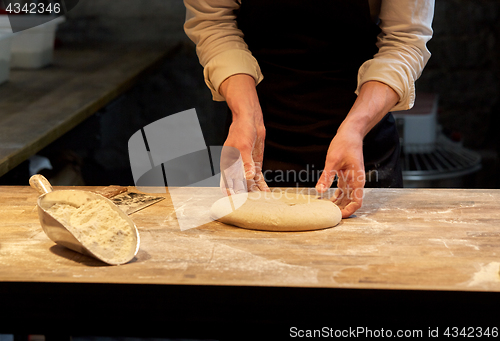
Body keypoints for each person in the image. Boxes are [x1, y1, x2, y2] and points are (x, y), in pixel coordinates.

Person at [183, 0, 434, 218]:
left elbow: (405, 39)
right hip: (257, 137)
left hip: (360, 142)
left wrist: (356, 128)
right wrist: (245, 114)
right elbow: (213, 22)